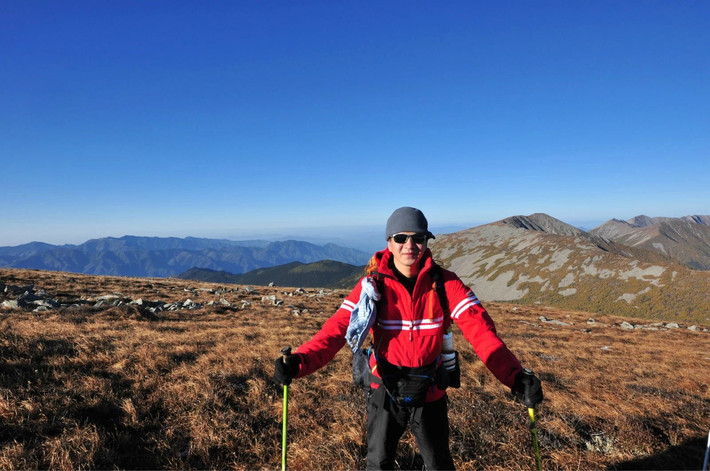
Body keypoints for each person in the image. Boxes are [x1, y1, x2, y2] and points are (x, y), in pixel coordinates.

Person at [274, 207, 543, 470]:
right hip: (384, 389)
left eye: (418, 238)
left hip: (431, 390)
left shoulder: (446, 284)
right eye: (401, 238)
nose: (409, 245)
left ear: (427, 242)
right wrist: (300, 361)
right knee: (378, 463)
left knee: (438, 464)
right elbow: (335, 330)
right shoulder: (371, 286)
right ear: (389, 243)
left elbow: (482, 333)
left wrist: (515, 376)